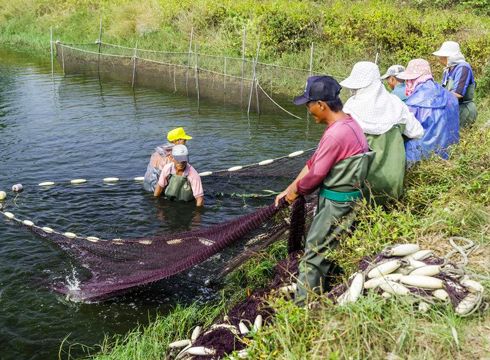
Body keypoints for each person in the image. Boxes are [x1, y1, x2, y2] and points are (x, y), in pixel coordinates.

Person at [274, 75, 374, 305]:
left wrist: (296, 192)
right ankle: (323, 296)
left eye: (309, 105)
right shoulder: (348, 123)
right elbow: (314, 162)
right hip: (347, 201)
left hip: (337, 205)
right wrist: (288, 189)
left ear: (321, 104)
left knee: (312, 256)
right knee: (328, 251)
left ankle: (301, 312)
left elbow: (316, 175)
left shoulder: (337, 134)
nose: (308, 111)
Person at [340, 61, 423, 203]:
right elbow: (417, 132)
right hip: (394, 185)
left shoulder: (350, 108)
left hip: (362, 187)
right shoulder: (397, 104)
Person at [397, 59, 459, 163]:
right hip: (451, 154)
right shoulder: (450, 96)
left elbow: (406, 132)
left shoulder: (413, 103)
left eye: (409, 79)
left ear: (414, 79)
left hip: (421, 158)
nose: (407, 82)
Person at [433, 41, 477, 127]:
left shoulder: (463, 68)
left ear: (450, 57)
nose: (440, 59)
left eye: (443, 57)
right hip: (452, 109)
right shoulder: (447, 69)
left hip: (463, 111)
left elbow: (458, 93)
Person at [143, 127, 193, 192]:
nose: (186, 141)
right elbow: (179, 174)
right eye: (184, 139)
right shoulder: (177, 154)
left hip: (147, 185)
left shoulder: (158, 152)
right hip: (160, 189)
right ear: (177, 141)